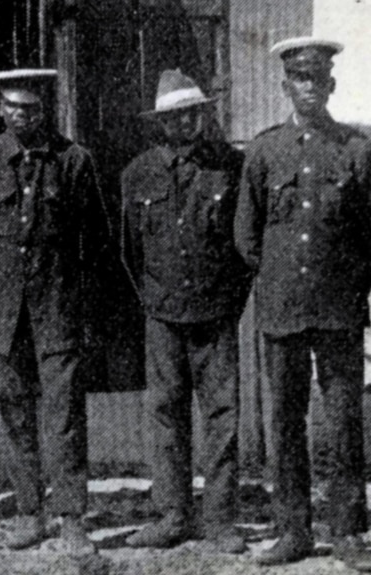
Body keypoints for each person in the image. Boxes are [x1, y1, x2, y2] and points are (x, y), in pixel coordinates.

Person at [235, 38, 371, 571]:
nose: (308, 88)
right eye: (299, 79)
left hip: (338, 311)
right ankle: (293, 531)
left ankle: (348, 534)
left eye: (317, 79)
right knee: (285, 421)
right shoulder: (264, 150)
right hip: (282, 310)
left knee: (344, 419)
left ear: (330, 85)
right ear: (286, 87)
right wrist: (278, 280)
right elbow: (246, 234)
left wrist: (349, 283)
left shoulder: (355, 149)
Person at [0, 68, 109, 553]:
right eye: (12, 107)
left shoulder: (73, 161)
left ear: (44, 110)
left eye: (30, 108)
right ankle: (29, 512)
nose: (20, 115)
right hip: (4, 314)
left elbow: (93, 239)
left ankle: (71, 519)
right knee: (14, 413)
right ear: (0, 109)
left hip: (58, 309)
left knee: (64, 415)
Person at [120, 69, 253, 553]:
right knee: (166, 414)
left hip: (216, 314)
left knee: (222, 416)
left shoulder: (231, 168)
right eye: (173, 117)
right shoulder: (138, 174)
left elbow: (244, 247)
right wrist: (153, 302)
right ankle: (172, 515)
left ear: (203, 115)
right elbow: (130, 251)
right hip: (163, 316)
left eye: (191, 114)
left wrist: (230, 303)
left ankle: (220, 520)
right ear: (161, 123)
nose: (183, 124)